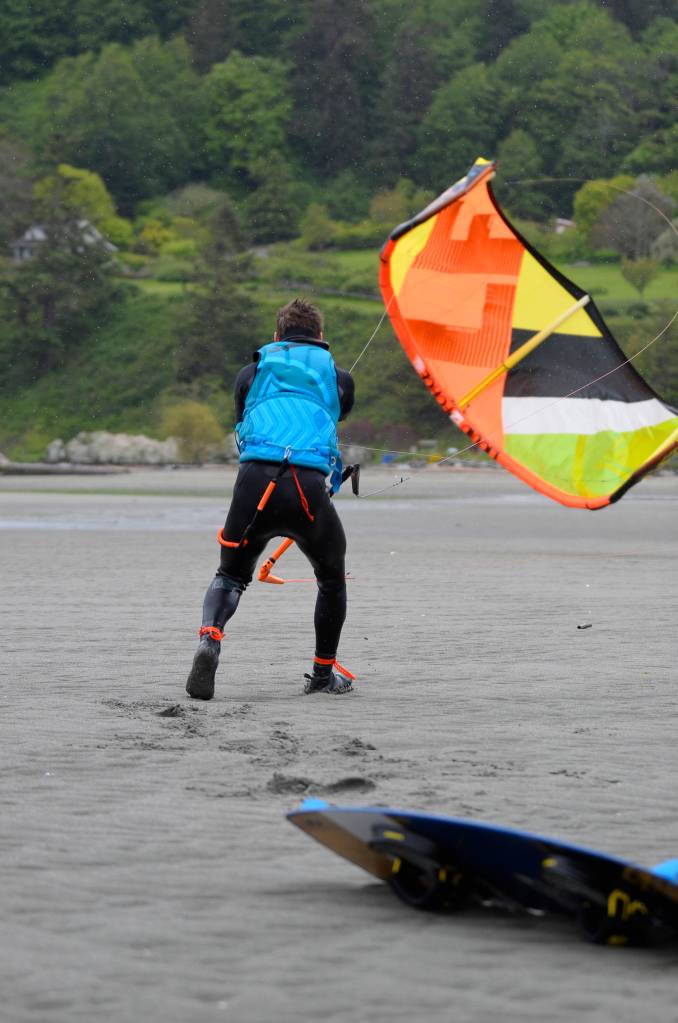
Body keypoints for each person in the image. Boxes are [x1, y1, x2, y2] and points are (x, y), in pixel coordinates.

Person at [186, 298, 355, 701]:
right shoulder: (340, 378)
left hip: (253, 484)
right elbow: (337, 413)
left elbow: (242, 422)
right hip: (307, 487)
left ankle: (210, 638)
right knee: (331, 580)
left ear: (276, 336)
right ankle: (322, 674)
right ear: (321, 336)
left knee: (230, 575)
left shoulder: (251, 372)